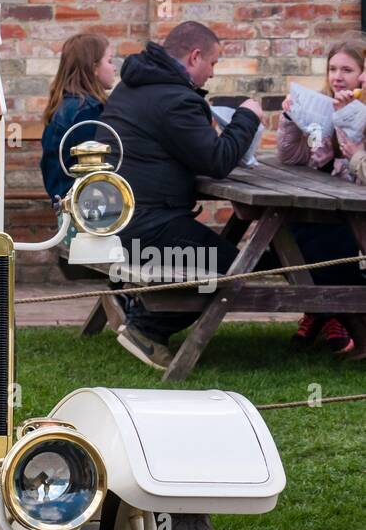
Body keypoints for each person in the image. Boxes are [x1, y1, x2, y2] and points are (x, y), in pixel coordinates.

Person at [98, 21, 264, 368]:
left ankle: (135, 304)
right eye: (214, 64)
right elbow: (217, 161)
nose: (213, 74)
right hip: (145, 225)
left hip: (117, 217)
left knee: (226, 258)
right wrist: (247, 118)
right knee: (232, 267)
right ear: (195, 56)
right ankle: (146, 328)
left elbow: (184, 150)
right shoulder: (173, 98)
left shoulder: (135, 86)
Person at [276, 37, 366, 356]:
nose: (337, 76)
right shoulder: (321, 109)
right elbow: (295, 157)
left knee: (326, 235)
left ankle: (328, 313)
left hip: (356, 211)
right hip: (327, 203)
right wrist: (290, 120)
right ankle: (325, 313)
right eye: (332, 69)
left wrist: (348, 117)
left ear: (363, 74)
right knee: (291, 229)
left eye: (347, 69)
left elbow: (358, 167)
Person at [40, 33, 116, 207]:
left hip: (66, 204)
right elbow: (97, 171)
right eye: (110, 61)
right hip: (86, 210)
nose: (114, 68)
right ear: (94, 68)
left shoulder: (65, 106)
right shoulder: (87, 112)